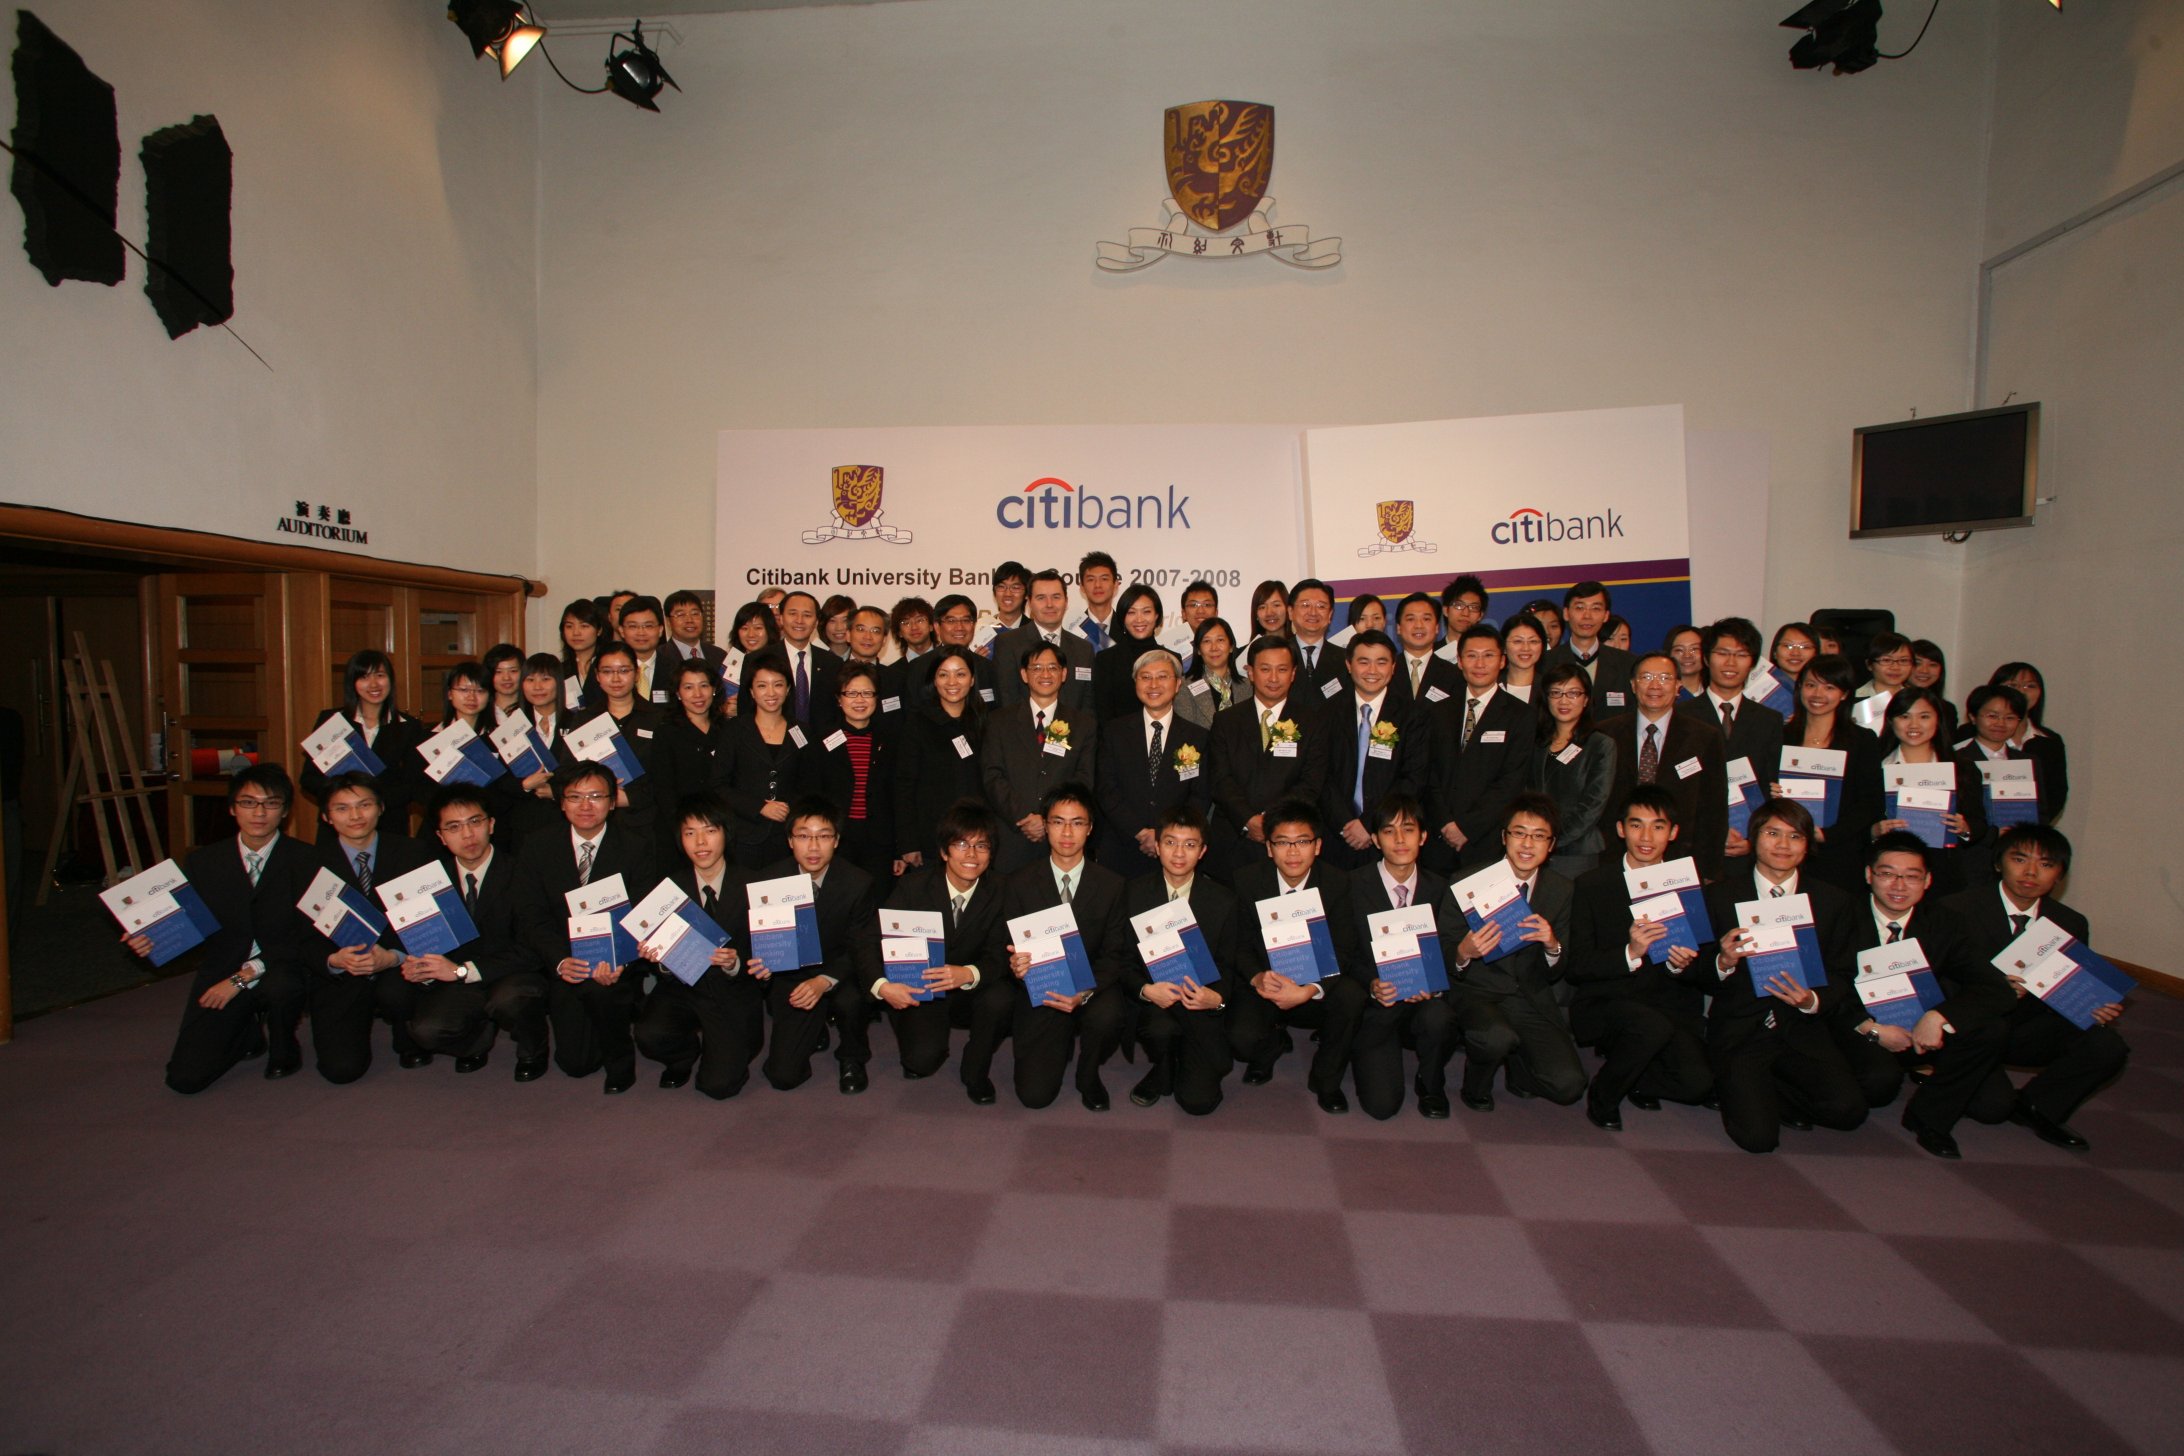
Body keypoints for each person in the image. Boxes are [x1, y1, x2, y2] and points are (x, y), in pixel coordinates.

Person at [1696, 797, 1866, 1153]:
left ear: (1808, 845)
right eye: (1773, 833)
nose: (1783, 845)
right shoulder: (1719, 896)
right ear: (1754, 837)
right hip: (1741, 1028)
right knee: (1757, 1139)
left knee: (1848, 1111)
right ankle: (1743, 1088)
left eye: (1795, 836)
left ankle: (1769, 1091)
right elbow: (1689, 969)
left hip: (1801, 1026)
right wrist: (1722, 962)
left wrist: (1811, 1000)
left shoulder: (1833, 901)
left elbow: (1843, 973)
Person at [1945, 824, 2129, 1151]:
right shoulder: (1956, 909)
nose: (2031, 872)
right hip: (1973, 1028)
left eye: (2046, 865)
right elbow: (1939, 982)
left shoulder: (2070, 922)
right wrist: (1991, 987)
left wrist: (2090, 1004)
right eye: (2020, 859)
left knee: (2107, 1045)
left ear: (2059, 875)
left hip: (2028, 1024)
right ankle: (1946, 1072)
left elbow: (2065, 985)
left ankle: (2038, 1106)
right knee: (1991, 1109)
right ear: (1999, 863)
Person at [1832, 832, 2014, 1159]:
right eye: (1887, 874)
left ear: (1928, 880)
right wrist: (1872, 1030)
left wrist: (1939, 1017)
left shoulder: (1945, 923)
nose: (1899, 885)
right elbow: (1832, 989)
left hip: (1923, 1029)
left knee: (1993, 1103)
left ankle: (1928, 1118)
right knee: (1878, 1085)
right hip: (1860, 1027)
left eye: (1912, 876)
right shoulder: (1840, 915)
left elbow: (1994, 988)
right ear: (1868, 875)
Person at [154, 764, 316, 1093]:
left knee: (281, 985)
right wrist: (151, 941)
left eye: (271, 803)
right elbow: (190, 927)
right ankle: (247, 1033)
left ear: (284, 811)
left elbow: (307, 935)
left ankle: (284, 1048)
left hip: (281, 966)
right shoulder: (203, 862)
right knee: (185, 1078)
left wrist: (243, 977)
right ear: (232, 808)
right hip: (223, 967)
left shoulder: (307, 860)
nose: (259, 813)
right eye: (248, 802)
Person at [1566, 787, 1714, 1130]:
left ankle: (1639, 1076)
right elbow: (1578, 967)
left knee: (1698, 1085)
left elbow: (1706, 969)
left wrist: (1681, 963)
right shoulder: (1593, 884)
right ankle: (1603, 1095)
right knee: (1649, 1026)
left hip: (1669, 1004)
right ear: (1620, 829)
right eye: (1636, 825)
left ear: (1673, 832)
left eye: (1658, 827)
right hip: (1609, 1001)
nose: (1646, 837)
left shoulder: (1689, 885)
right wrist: (1629, 953)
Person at [516, 761, 658, 1094]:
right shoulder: (537, 845)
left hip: (617, 962)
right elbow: (530, 916)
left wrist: (620, 959)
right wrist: (562, 961)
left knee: (605, 995)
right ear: (561, 801)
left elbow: (642, 912)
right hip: (565, 961)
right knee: (577, 1065)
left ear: (612, 802)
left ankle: (622, 1063)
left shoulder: (637, 845)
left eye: (596, 796)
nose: (585, 806)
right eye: (575, 797)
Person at [397, 784, 549, 1081]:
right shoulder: (428, 881)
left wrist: (463, 971)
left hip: (513, 973)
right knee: (426, 1030)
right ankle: (476, 1041)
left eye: (475, 822)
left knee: (511, 999)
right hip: (457, 977)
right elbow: (426, 940)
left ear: (491, 824)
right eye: (454, 827)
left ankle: (534, 1048)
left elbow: (532, 949)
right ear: (440, 836)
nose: (467, 835)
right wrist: (422, 966)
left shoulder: (522, 872)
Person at [1227, 799, 1368, 1115]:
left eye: (1302, 842)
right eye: (1282, 843)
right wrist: (1257, 978)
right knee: (1240, 1039)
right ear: (1268, 848)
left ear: (1317, 846)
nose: (1293, 852)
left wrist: (1309, 990)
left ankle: (1326, 1079)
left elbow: (1344, 950)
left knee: (1351, 997)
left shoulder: (1338, 883)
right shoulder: (1246, 881)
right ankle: (1270, 1047)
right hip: (1266, 983)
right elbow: (1237, 945)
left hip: (1316, 982)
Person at [999, 783, 1132, 1110]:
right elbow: (1009, 946)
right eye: (1058, 822)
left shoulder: (1113, 886)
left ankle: (1088, 1074)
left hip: (1093, 989)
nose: (1067, 832)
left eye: (1077, 822)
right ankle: (1057, 1046)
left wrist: (1084, 992)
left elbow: (1115, 954)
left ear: (1090, 829)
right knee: (1034, 1097)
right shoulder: (1018, 883)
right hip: (1042, 987)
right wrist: (1017, 967)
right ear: (1045, 826)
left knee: (1109, 1013)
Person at [873, 799, 1013, 1090]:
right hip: (924, 988)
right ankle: (920, 1037)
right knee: (920, 1062)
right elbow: (877, 942)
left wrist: (969, 973)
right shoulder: (912, 889)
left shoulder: (1004, 891)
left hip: (971, 988)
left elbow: (1001, 952)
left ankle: (975, 1067)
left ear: (991, 854)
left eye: (982, 846)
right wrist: (884, 986)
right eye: (962, 844)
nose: (972, 854)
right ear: (944, 851)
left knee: (1002, 998)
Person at [307, 771, 434, 1082]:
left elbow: (429, 922)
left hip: (398, 965)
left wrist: (392, 956)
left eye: (364, 805)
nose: (355, 816)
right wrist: (334, 960)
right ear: (326, 816)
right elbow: (298, 934)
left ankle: (407, 1035)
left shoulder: (414, 853)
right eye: (342, 808)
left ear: (381, 807)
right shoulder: (309, 863)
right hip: (341, 971)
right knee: (341, 1070)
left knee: (400, 992)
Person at [631, 794, 760, 1098]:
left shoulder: (755, 885)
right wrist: (659, 958)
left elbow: (770, 952)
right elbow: (659, 959)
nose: (700, 842)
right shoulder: (667, 890)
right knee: (649, 1034)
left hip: (733, 992)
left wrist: (735, 963)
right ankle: (683, 1055)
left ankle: (729, 1045)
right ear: (680, 839)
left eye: (710, 831)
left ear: (726, 834)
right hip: (683, 988)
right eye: (690, 833)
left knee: (718, 1086)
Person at [752, 797, 882, 1094]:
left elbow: (861, 946)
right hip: (791, 976)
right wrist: (759, 963)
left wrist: (824, 981)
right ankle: (815, 1027)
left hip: (840, 972)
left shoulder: (857, 882)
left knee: (851, 1000)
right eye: (803, 836)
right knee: (783, 1077)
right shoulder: (768, 881)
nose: (813, 847)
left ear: (836, 841)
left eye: (823, 836)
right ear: (789, 840)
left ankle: (852, 1057)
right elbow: (758, 940)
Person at [1345, 794, 1458, 1120]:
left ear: (1423, 836)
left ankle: (1431, 1081)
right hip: (1377, 1008)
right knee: (1382, 1107)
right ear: (1376, 840)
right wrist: (1371, 983)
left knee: (1441, 1016)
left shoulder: (1441, 890)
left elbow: (1450, 952)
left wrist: (1434, 985)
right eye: (1389, 831)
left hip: (1424, 1003)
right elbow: (1345, 953)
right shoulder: (1352, 886)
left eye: (1408, 830)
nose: (1399, 840)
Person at [1121, 804, 1238, 1114]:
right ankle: (1163, 1067)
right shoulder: (1132, 894)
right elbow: (1121, 960)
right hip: (1154, 1001)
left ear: (1202, 851)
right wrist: (1146, 991)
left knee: (1198, 1104)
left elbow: (1229, 964)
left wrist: (1217, 998)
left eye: (1190, 844)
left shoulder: (1223, 900)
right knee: (1160, 1030)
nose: (1179, 853)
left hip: (1198, 1005)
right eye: (1170, 842)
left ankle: (1189, 1057)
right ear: (1157, 846)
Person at [1596, 651, 1728, 879]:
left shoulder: (1704, 737)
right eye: (1646, 677)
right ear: (1633, 685)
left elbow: (1714, 810)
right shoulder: (1605, 733)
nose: (1655, 685)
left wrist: (1707, 871)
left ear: (1678, 686)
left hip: (1681, 861)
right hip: (1613, 858)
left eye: (1665, 678)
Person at [1208, 636, 1326, 880]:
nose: (1273, 678)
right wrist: (1248, 819)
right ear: (1250, 672)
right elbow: (1220, 779)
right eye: (1265, 669)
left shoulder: (1312, 721)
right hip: (1233, 842)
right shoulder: (1226, 721)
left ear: (1293, 674)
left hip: (1288, 847)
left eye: (1282, 670)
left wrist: (1273, 823)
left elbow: (1310, 783)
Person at [980, 639, 1099, 874]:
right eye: (1036, 668)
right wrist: (1023, 816)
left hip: (1061, 839)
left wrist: (1048, 819)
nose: (1045, 674)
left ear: (1064, 674)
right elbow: (992, 775)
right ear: (1024, 674)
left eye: (1053, 668)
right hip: (1012, 835)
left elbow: (1084, 778)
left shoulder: (1083, 724)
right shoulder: (999, 721)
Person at [1423, 625, 1533, 872]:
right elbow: (1428, 774)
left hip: (1486, 840)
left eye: (1489, 655)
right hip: (1437, 838)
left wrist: (1466, 827)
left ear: (1503, 661)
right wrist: (1446, 823)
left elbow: (1511, 781)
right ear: (1460, 662)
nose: (1480, 664)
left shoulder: (1520, 715)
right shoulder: (1437, 711)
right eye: (1472, 656)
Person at [1094, 647, 1213, 873]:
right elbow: (1106, 789)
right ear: (1135, 683)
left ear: (1178, 684)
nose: (1154, 685)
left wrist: (1165, 836)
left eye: (1162, 677)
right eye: (1145, 677)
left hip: (1176, 852)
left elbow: (1200, 794)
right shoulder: (1114, 732)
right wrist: (1139, 832)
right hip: (1122, 847)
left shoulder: (1197, 737)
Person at [1680, 616, 1784, 871]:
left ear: (1752, 663)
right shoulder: (1681, 715)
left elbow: (1771, 787)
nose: (1730, 663)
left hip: (1750, 850)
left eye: (1741, 654)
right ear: (1706, 658)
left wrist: (1754, 838)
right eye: (1722, 653)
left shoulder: (1769, 720)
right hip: (1694, 849)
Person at [1776, 653, 1883, 893]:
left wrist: (1826, 835)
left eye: (1829, 687)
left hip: (1839, 855)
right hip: (1783, 852)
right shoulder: (1781, 736)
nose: (1817, 695)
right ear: (1799, 688)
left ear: (1844, 694)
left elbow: (1871, 804)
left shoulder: (1861, 741)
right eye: (1811, 685)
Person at [1320, 630, 1422, 871]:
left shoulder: (1413, 715)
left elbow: (1412, 778)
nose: (1372, 671)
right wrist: (1346, 823)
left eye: (1381, 662)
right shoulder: (1327, 712)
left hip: (1389, 835)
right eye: (1363, 662)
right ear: (1349, 665)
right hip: (1337, 836)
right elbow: (1321, 775)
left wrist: (1369, 824)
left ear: (1394, 667)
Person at [299, 649, 426, 843]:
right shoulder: (331, 722)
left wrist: (371, 803)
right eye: (364, 677)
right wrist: (344, 796)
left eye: (380, 676)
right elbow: (308, 778)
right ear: (353, 683)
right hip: (338, 827)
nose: (374, 684)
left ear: (390, 680)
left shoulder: (409, 727)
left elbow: (413, 785)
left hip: (388, 826)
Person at [1871, 684, 1985, 897]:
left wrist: (1964, 827)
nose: (1914, 724)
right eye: (1904, 717)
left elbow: (1980, 822)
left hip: (1944, 872)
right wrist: (1874, 830)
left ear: (1938, 721)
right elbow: (1859, 819)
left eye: (1924, 716)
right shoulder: (1875, 767)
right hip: (1887, 873)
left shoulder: (1961, 768)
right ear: (1890, 721)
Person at [797, 663, 896, 885]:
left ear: (876, 698)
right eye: (851, 693)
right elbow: (811, 792)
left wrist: (900, 848)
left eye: (867, 693)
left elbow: (898, 795)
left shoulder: (890, 740)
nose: (859, 700)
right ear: (839, 699)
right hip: (836, 839)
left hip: (879, 842)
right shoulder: (822, 741)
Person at [891, 646, 988, 873]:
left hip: (975, 837)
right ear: (934, 680)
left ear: (972, 680)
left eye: (960, 674)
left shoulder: (985, 721)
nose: (952, 682)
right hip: (930, 838)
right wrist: (908, 842)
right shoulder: (918, 722)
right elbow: (903, 785)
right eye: (944, 674)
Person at [566, 642, 663, 850]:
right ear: (597, 676)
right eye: (608, 671)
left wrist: (632, 798)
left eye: (624, 671)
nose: (616, 679)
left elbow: (669, 778)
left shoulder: (659, 719)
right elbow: (566, 774)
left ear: (636, 674)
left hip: (645, 826)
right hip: (593, 825)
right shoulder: (583, 720)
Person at [1531, 663, 1615, 880]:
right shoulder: (1535, 741)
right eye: (1556, 693)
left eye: (1573, 693)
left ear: (1586, 700)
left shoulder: (1600, 745)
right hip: (1531, 848)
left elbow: (1593, 804)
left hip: (1576, 852)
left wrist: (1553, 839)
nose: (1564, 700)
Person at [653, 658, 735, 858]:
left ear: (714, 689)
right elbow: (663, 788)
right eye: (688, 687)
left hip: (722, 828)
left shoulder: (729, 729)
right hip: (682, 831)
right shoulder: (666, 732)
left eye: (704, 686)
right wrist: (683, 829)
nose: (697, 695)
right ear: (678, 693)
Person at [1954, 684, 2060, 824]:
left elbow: (2040, 813)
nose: (2000, 723)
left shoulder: (2028, 761)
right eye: (1992, 716)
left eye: (2010, 718)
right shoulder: (1955, 760)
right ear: (1973, 717)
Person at [992, 569, 1095, 711]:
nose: (1049, 604)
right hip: (1022, 730)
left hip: (1075, 731)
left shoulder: (1084, 649)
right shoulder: (1008, 643)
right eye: (1041, 598)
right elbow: (1006, 698)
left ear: (1066, 601)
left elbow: (1087, 704)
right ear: (1029, 602)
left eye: (1056, 597)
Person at [1979, 661, 2068, 820]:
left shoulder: (2049, 741)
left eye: (2030, 686)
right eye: (2012, 685)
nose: (2021, 691)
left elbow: (2056, 794)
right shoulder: (1967, 735)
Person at [499, 652, 570, 849]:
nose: (537, 687)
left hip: (565, 823)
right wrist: (525, 785)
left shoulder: (577, 722)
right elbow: (500, 780)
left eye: (545, 679)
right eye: (530, 680)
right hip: (524, 826)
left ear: (558, 682)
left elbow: (582, 773)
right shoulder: (512, 727)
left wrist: (555, 791)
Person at [1540, 581, 1634, 714]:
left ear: (1606, 615)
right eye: (1579, 608)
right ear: (1566, 613)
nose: (1587, 616)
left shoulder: (1628, 664)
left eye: (1596, 608)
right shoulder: (1544, 663)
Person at [1090, 582, 1166, 725]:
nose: (1139, 619)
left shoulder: (1171, 659)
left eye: (1146, 611)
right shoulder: (1106, 659)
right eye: (1131, 612)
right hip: (1118, 741)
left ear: (1157, 615)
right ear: (1123, 617)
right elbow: (1102, 714)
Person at [914, 592, 998, 712]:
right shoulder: (919, 667)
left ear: (973, 625)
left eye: (966, 620)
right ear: (937, 626)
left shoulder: (988, 667)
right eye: (951, 621)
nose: (959, 627)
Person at [774, 590, 842, 732]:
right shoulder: (760, 660)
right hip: (773, 747)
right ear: (781, 618)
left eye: (807, 615)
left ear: (816, 622)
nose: (799, 620)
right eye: (792, 613)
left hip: (820, 748)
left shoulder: (833, 663)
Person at [1388, 591, 1464, 712]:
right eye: (1410, 619)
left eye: (1426, 619)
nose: (1419, 625)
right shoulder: (1385, 670)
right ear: (1398, 628)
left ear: (1437, 628)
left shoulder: (1454, 675)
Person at [1287, 578, 1350, 702]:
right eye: (1305, 605)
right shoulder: (1277, 655)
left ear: (1330, 615)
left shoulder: (1345, 659)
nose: (1313, 612)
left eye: (1321, 606)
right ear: (1290, 612)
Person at [1176, 616, 1239, 728]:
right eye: (1206, 641)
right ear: (1199, 650)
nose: (1214, 648)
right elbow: (1185, 733)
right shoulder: (1184, 687)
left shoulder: (1248, 685)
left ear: (1231, 647)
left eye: (1220, 640)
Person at [722, 599, 781, 716]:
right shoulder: (728, 663)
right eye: (744, 628)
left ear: (769, 630)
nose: (751, 634)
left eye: (758, 628)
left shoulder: (781, 663)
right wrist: (723, 709)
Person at [615, 595, 672, 706]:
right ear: (621, 630)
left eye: (648, 626)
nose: (641, 633)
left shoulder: (674, 669)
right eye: (633, 626)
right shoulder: (607, 670)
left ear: (660, 630)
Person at [557, 598, 608, 710]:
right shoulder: (559, 671)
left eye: (584, 626)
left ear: (599, 630)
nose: (576, 633)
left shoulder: (609, 667)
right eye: (569, 626)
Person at [975, 559, 1030, 655]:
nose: (1007, 594)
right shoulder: (980, 630)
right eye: (1001, 587)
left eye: (1015, 587)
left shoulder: (1034, 631)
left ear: (1026, 594)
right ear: (994, 592)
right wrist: (977, 660)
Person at [1071, 551, 1123, 652]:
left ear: (1115, 585)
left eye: (1104, 579)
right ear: (1082, 587)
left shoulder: (1126, 628)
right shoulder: (1072, 630)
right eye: (1090, 580)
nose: (1097, 585)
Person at [663, 589, 726, 671]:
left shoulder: (719, 655)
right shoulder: (659, 657)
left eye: (695, 613)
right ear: (668, 621)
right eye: (681, 614)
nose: (689, 620)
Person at [1498, 611, 1548, 703]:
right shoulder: (1491, 685)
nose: (1526, 648)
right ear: (1504, 647)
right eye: (1517, 641)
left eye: (1533, 641)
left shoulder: (1549, 688)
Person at [1856, 631, 1915, 704]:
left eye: (1903, 660)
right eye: (1886, 660)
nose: (1895, 667)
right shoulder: (1853, 698)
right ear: (1869, 665)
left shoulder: (1918, 700)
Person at [1440, 574, 1489, 646]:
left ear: (1480, 615)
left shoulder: (1489, 653)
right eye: (1459, 605)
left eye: (1473, 607)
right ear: (1445, 610)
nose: (1465, 613)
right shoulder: (1430, 654)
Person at [1768, 622, 1819, 691]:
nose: (1795, 653)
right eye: (1788, 646)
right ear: (1775, 652)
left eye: (1805, 647)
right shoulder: (1759, 686)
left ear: (1816, 654)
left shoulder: (1824, 689)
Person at [482, 642, 525, 717]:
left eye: (513, 671)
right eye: (498, 672)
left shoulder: (533, 709)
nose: (506, 678)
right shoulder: (481, 708)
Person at [1665, 625, 1706, 700]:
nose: (1687, 655)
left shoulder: (1716, 695)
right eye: (1679, 650)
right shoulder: (1661, 697)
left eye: (1694, 649)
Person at [818, 593, 857, 659]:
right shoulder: (815, 658)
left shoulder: (862, 659)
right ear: (824, 624)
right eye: (832, 621)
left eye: (845, 620)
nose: (839, 628)